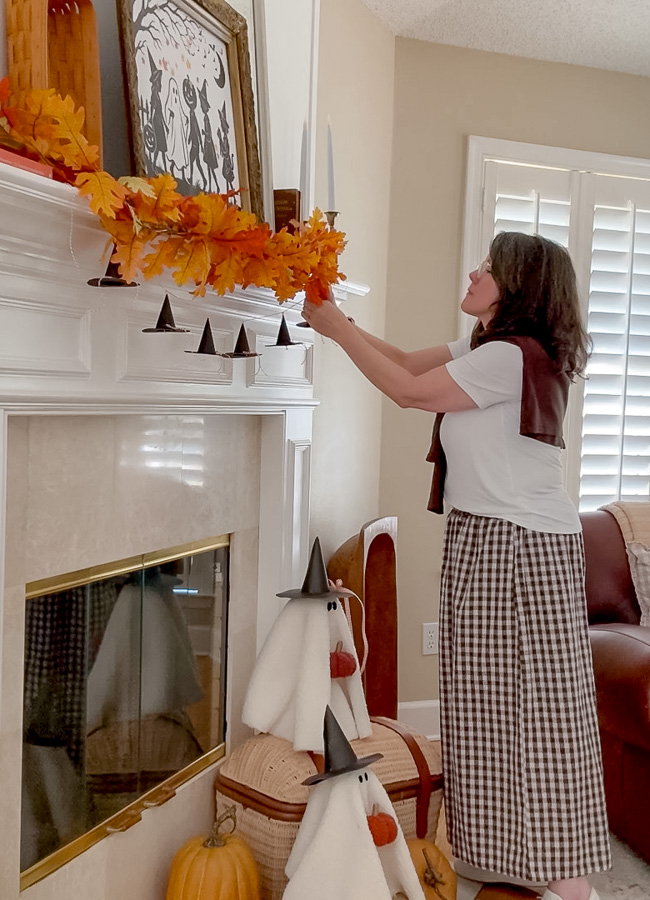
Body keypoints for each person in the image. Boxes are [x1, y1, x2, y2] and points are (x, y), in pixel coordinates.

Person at [301, 231, 611, 900]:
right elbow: (407, 361)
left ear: (518, 288)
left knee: (534, 708)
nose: (474, 272)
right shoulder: (487, 350)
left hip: (520, 547)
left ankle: (566, 876)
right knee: (482, 703)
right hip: (488, 538)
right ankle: (500, 855)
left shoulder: (510, 357)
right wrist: (337, 323)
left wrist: (330, 325)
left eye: (490, 268)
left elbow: (408, 392)